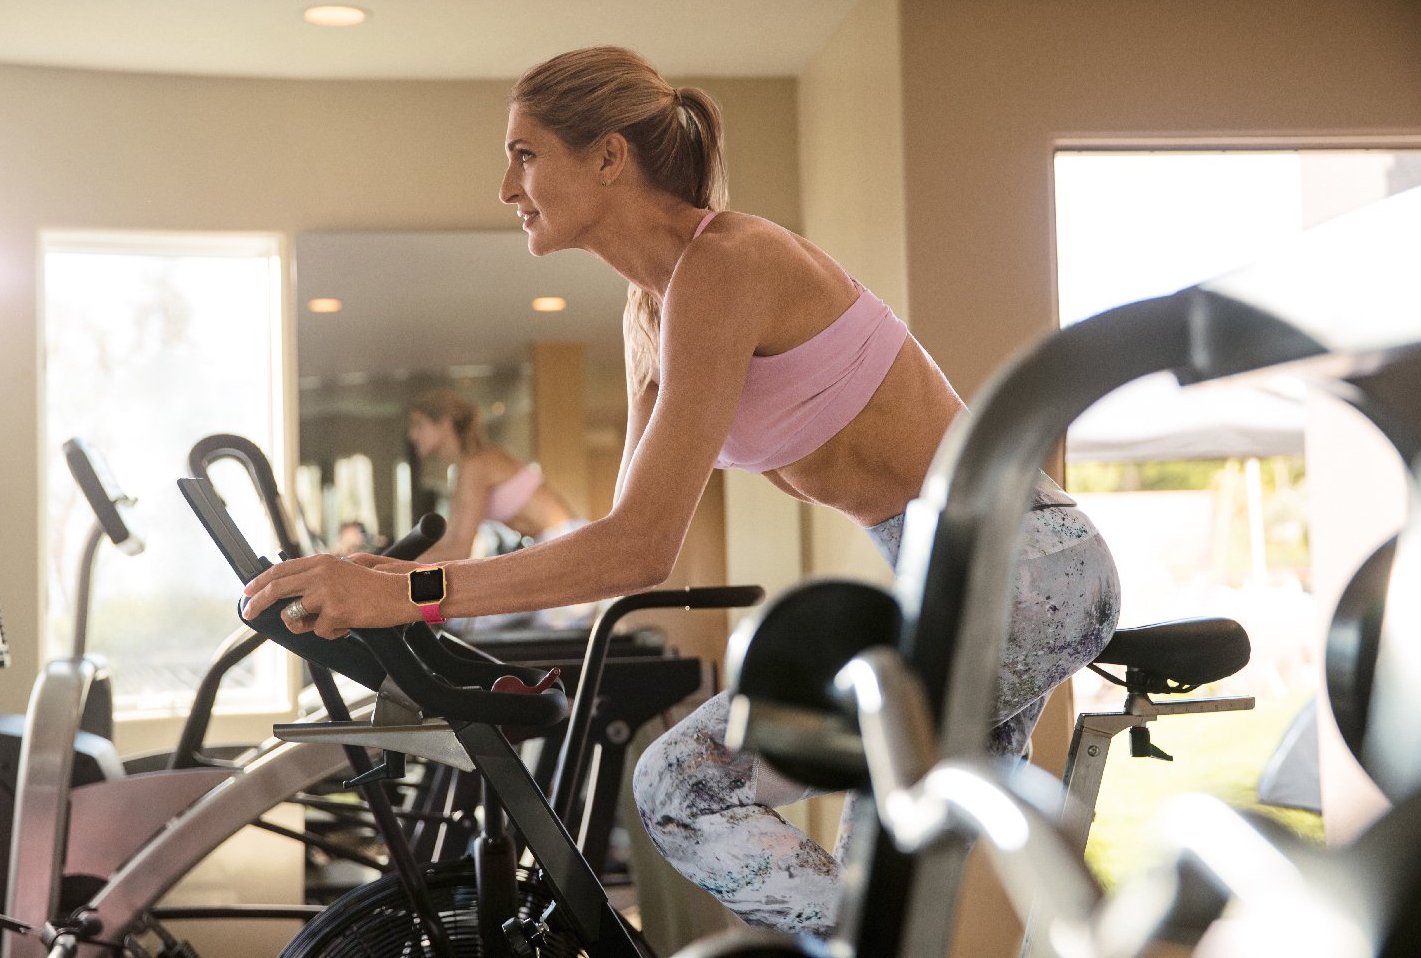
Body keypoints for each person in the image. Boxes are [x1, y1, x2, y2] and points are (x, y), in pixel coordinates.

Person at [242, 45, 1120, 937]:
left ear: (609, 156)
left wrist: (410, 593)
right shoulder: (648, 311)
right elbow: (627, 542)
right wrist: (375, 578)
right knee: (883, 877)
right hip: (952, 584)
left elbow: (638, 546)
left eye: (525, 154)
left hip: (1025, 570)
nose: (508, 188)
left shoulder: (730, 264)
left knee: (681, 787)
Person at [404, 388, 593, 632]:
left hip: (567, 548)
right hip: (551, 548)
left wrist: (395, 566)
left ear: (445, 424)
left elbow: (460, 549)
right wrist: (397, 562)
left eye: (419, 424)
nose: (412, 434)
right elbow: (450, 541)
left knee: (548, 649)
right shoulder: (465, 469)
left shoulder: (477, 464)